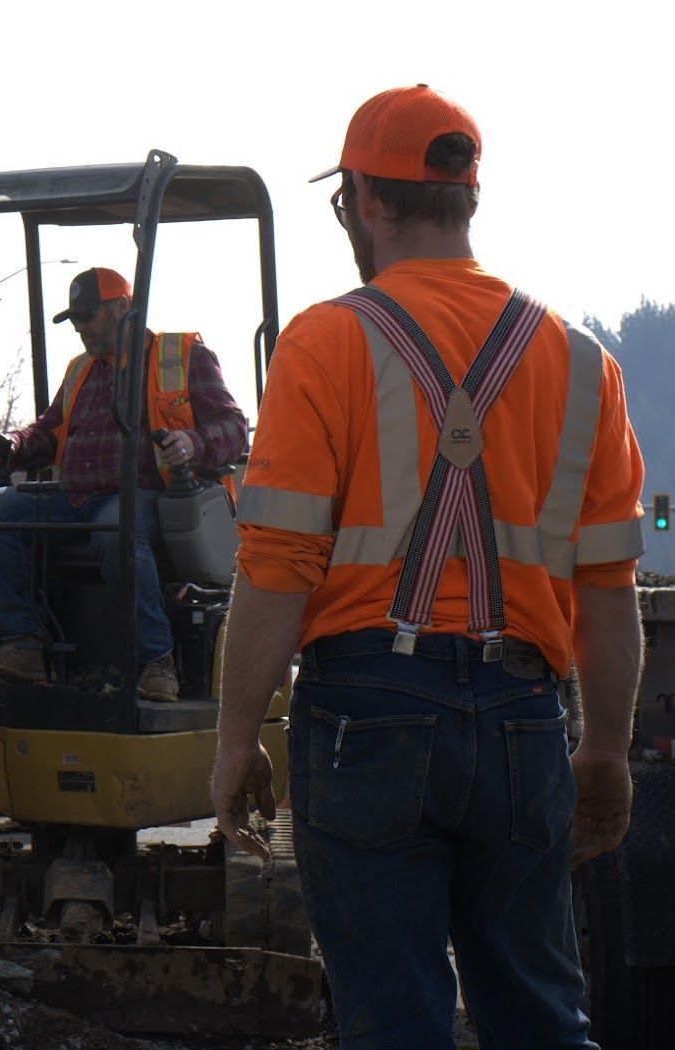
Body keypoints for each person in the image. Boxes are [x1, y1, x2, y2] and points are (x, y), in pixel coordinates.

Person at [209, 85, 645, 1048]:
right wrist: (606, 751)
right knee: (539, 1015)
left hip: (366, 719)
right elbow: (608, 592)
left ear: (365, 200)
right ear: (467, 201)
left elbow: (277, 569)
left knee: (391, 1022)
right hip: (525, 719)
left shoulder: (324, 343)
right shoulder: (584, 365)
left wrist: (238, 736)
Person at [0, 266, 248, 702]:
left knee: (113, 523)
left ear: (122, 307)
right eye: (75, 319)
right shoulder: (81, 370)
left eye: (88, 316)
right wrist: (13, 445)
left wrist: (192, 443)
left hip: (152, 499)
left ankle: (157, 660)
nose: (80, 328)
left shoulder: (182, 355)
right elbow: (47, 431)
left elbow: (234, 426)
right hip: (75, 498)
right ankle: (25, 644)